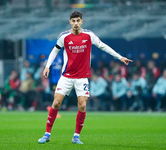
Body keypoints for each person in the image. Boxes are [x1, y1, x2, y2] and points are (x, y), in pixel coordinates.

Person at [38, 11, 132, 144]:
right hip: (67, 76)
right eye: (73, 21)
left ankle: (76, 136)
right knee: (56, 103)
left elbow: (103, 46)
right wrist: (48, 65)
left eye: (78, 20)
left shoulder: (89, 35)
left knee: (82, 105)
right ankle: (47, 134)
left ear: (81, 21)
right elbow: (55, 50)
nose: (76, 23)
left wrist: (120, 57)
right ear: (70, 22)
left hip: (82, 77)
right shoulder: (64, 37)